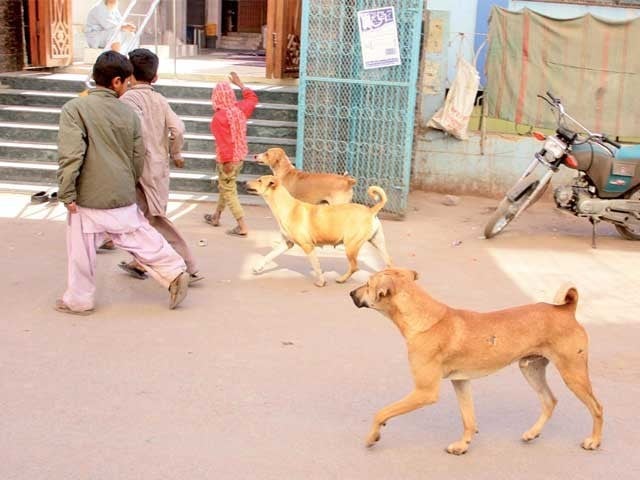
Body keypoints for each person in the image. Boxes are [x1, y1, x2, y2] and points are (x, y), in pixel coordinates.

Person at [55, 51, 189, 315]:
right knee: (137, 235)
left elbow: (71, 154)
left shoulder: (75, 109)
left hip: (87, 196)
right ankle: (174, 270)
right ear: (116, 81)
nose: (128, 87)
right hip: (121, 192)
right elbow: (138, 157)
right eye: (127, 82)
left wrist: (67, 191)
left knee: (80, 249)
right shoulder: (128, 114)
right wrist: (128, 182)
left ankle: (79, 299)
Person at [118, 48, 203, 284]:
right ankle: (139, 261)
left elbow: (132, 132)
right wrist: (175, 152)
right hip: (159, 165)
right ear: (154, 77)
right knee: (143, 215)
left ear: (128, 75)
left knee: (153, 217)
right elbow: (178, 129)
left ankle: (189, 265)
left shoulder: (127, 100)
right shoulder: (160, 100)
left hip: (139, 165)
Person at [204, 72, 258, 237]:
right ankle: (216, 216)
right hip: (239, 157)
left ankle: (242, 225)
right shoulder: (240, 109)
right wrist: (240, 84)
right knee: (225, 188)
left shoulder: (218, 118)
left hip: (227, 160)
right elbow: (253, 99)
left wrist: (226, 161)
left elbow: (223, 143)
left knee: (229, 191)